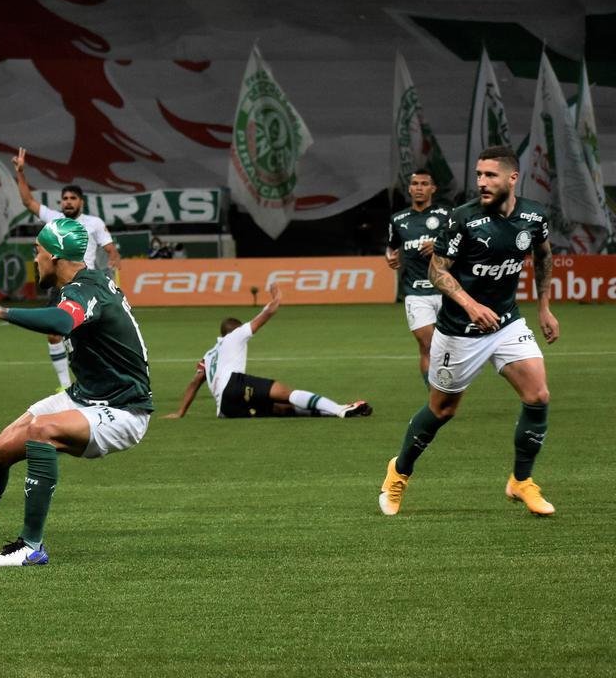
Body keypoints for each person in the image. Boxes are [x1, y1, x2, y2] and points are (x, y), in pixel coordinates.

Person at [0, 218, 152, 567]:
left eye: (38, 251)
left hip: (124, 409)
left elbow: (61, 324)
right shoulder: (81, 284)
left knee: (41, 432)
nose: (35, 258)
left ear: (56, 256)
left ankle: (31, 546)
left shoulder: (85, 289)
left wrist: (1, 311)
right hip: (85, 394)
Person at [379, 146, 559, 517]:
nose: (481, 182)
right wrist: (471, 305)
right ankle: (399, 471)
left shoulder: (533, 215)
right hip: (459, 331)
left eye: (490, 175)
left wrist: (544, 307)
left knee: (538, 394)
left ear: (513, 178)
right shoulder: (464, 219)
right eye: (478, 175)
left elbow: (543, 255)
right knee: (442, 410)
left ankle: (521, 481)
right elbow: (437, 271)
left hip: (506, 321)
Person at [162, 282, 373, 420]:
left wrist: (180, 412)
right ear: (234, 330)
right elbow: (267, 313)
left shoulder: (208, 355)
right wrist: (276, 296)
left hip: (225, 410)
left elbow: (194, 383)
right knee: (286, 393)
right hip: (234, 385)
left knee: (281, 409)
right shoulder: (235, 335)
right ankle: (339, 409)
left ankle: (336, 413)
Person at [13, 146, 121, 390]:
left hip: (87, 284)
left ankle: (100, 376)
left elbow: (110, 247)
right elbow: (28, 201)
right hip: (60, 285)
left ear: (81, 202)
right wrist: (21, 173)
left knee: (90, 336)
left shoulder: (94, 223)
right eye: (65, 199)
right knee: (54, 334)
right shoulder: (55, 219)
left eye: (73, 199)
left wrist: (114, 258)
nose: (68, 202)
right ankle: (64, 384)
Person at [386, 170, 450, 384]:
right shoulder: (398, 220)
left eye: (424, 183)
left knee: (450, 346)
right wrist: (390, 257)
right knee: (427, 345)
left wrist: (440, 246)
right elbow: (391, 247)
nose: (419, 188)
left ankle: (449, 387)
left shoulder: (448, 215)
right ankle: (434, 393)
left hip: (446, 290)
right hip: (415, 292)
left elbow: (464, 247)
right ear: (410, 188)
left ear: (433, 188)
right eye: (415, 184)